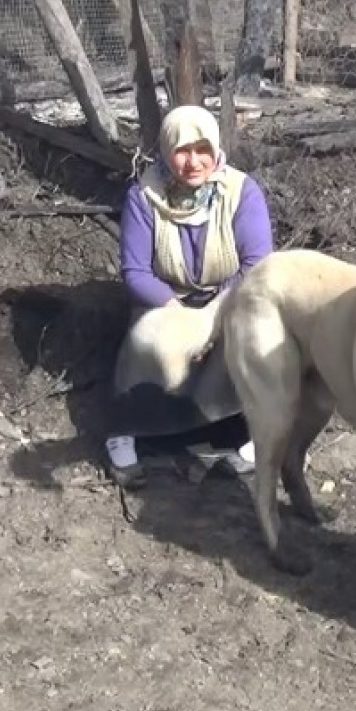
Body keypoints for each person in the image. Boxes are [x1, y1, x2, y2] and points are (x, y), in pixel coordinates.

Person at [104, 105, 273, 488]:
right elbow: (135, 271)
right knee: (147, 345)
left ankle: (255, 438)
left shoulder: (241, 192)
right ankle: (124, 434)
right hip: (166, 299)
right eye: (182, 150)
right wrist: (177, 315)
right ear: (165, 151)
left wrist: (213, 316)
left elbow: (257, 263)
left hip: (231, 297)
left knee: (251, 345)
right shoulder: (144, 196)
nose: (193, 162)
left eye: (202, 150)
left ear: (216, 150)